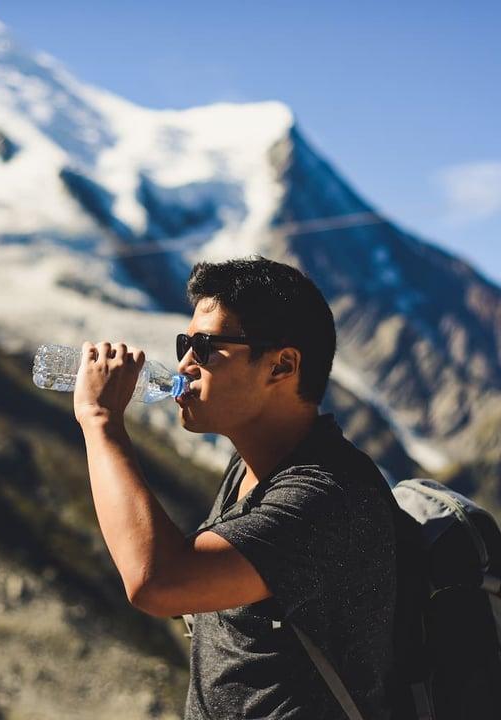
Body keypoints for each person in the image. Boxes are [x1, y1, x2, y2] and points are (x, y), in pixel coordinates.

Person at [74, 256, 398, 719]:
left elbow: (158, 581)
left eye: (204, 347)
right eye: (185, 343)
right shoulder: (254, 465)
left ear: (282, 366)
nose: (184, 363)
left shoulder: (325, 496)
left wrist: (100, 420)